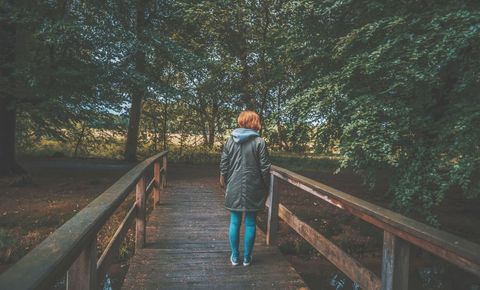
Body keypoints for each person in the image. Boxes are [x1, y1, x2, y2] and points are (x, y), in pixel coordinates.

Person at [219, 110, 271, 266]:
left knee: (234, 222)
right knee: (250, 223)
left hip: (234, 186)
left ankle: (235, 257)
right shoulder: (259, 142)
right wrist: (266, 187)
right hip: (253, 187)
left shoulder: (230, 141)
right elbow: (265, 168)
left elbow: (224, 165)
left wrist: (227, 181)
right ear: (254, 122)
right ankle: (247, 258)